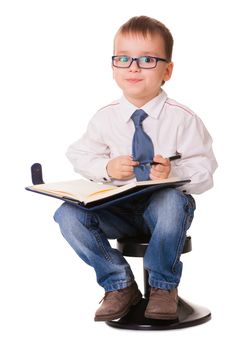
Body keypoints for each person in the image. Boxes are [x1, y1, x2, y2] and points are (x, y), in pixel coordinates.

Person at [54, 15, 217, 321]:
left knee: (169, 200)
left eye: (146, 59)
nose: (133, 67)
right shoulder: (105, 118)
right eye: (124, 59)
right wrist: (107, 166)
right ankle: (119, 285)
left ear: (167, 70)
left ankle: (162, 286)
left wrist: (173, 175)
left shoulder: (183, 119)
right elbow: (78, 154)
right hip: (120, 208)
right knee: (68, 214)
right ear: (113, 67)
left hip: (166, 210)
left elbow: (205, 170)